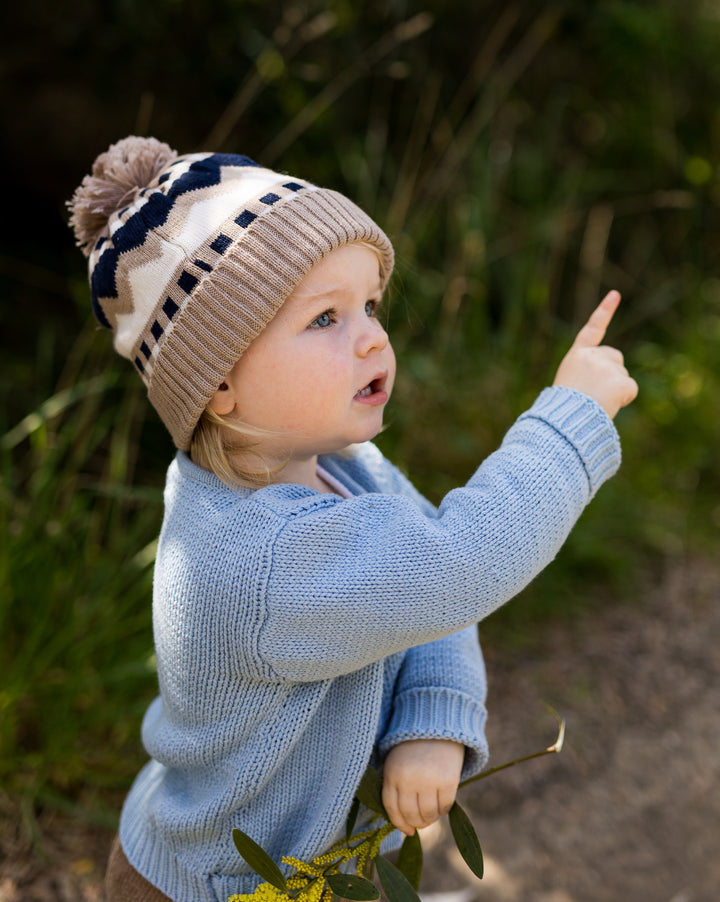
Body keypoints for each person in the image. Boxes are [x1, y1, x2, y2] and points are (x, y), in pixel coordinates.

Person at [68, 136, 637, 902]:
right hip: (213, 885)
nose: (372, 335)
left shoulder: (344, 468)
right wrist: (569, 422)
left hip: (307, 872)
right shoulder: (259, 559)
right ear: (219, 384)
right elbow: (457, 561)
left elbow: (433, 593)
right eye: (326, 318)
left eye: (369, 304)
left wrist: (434, 720)